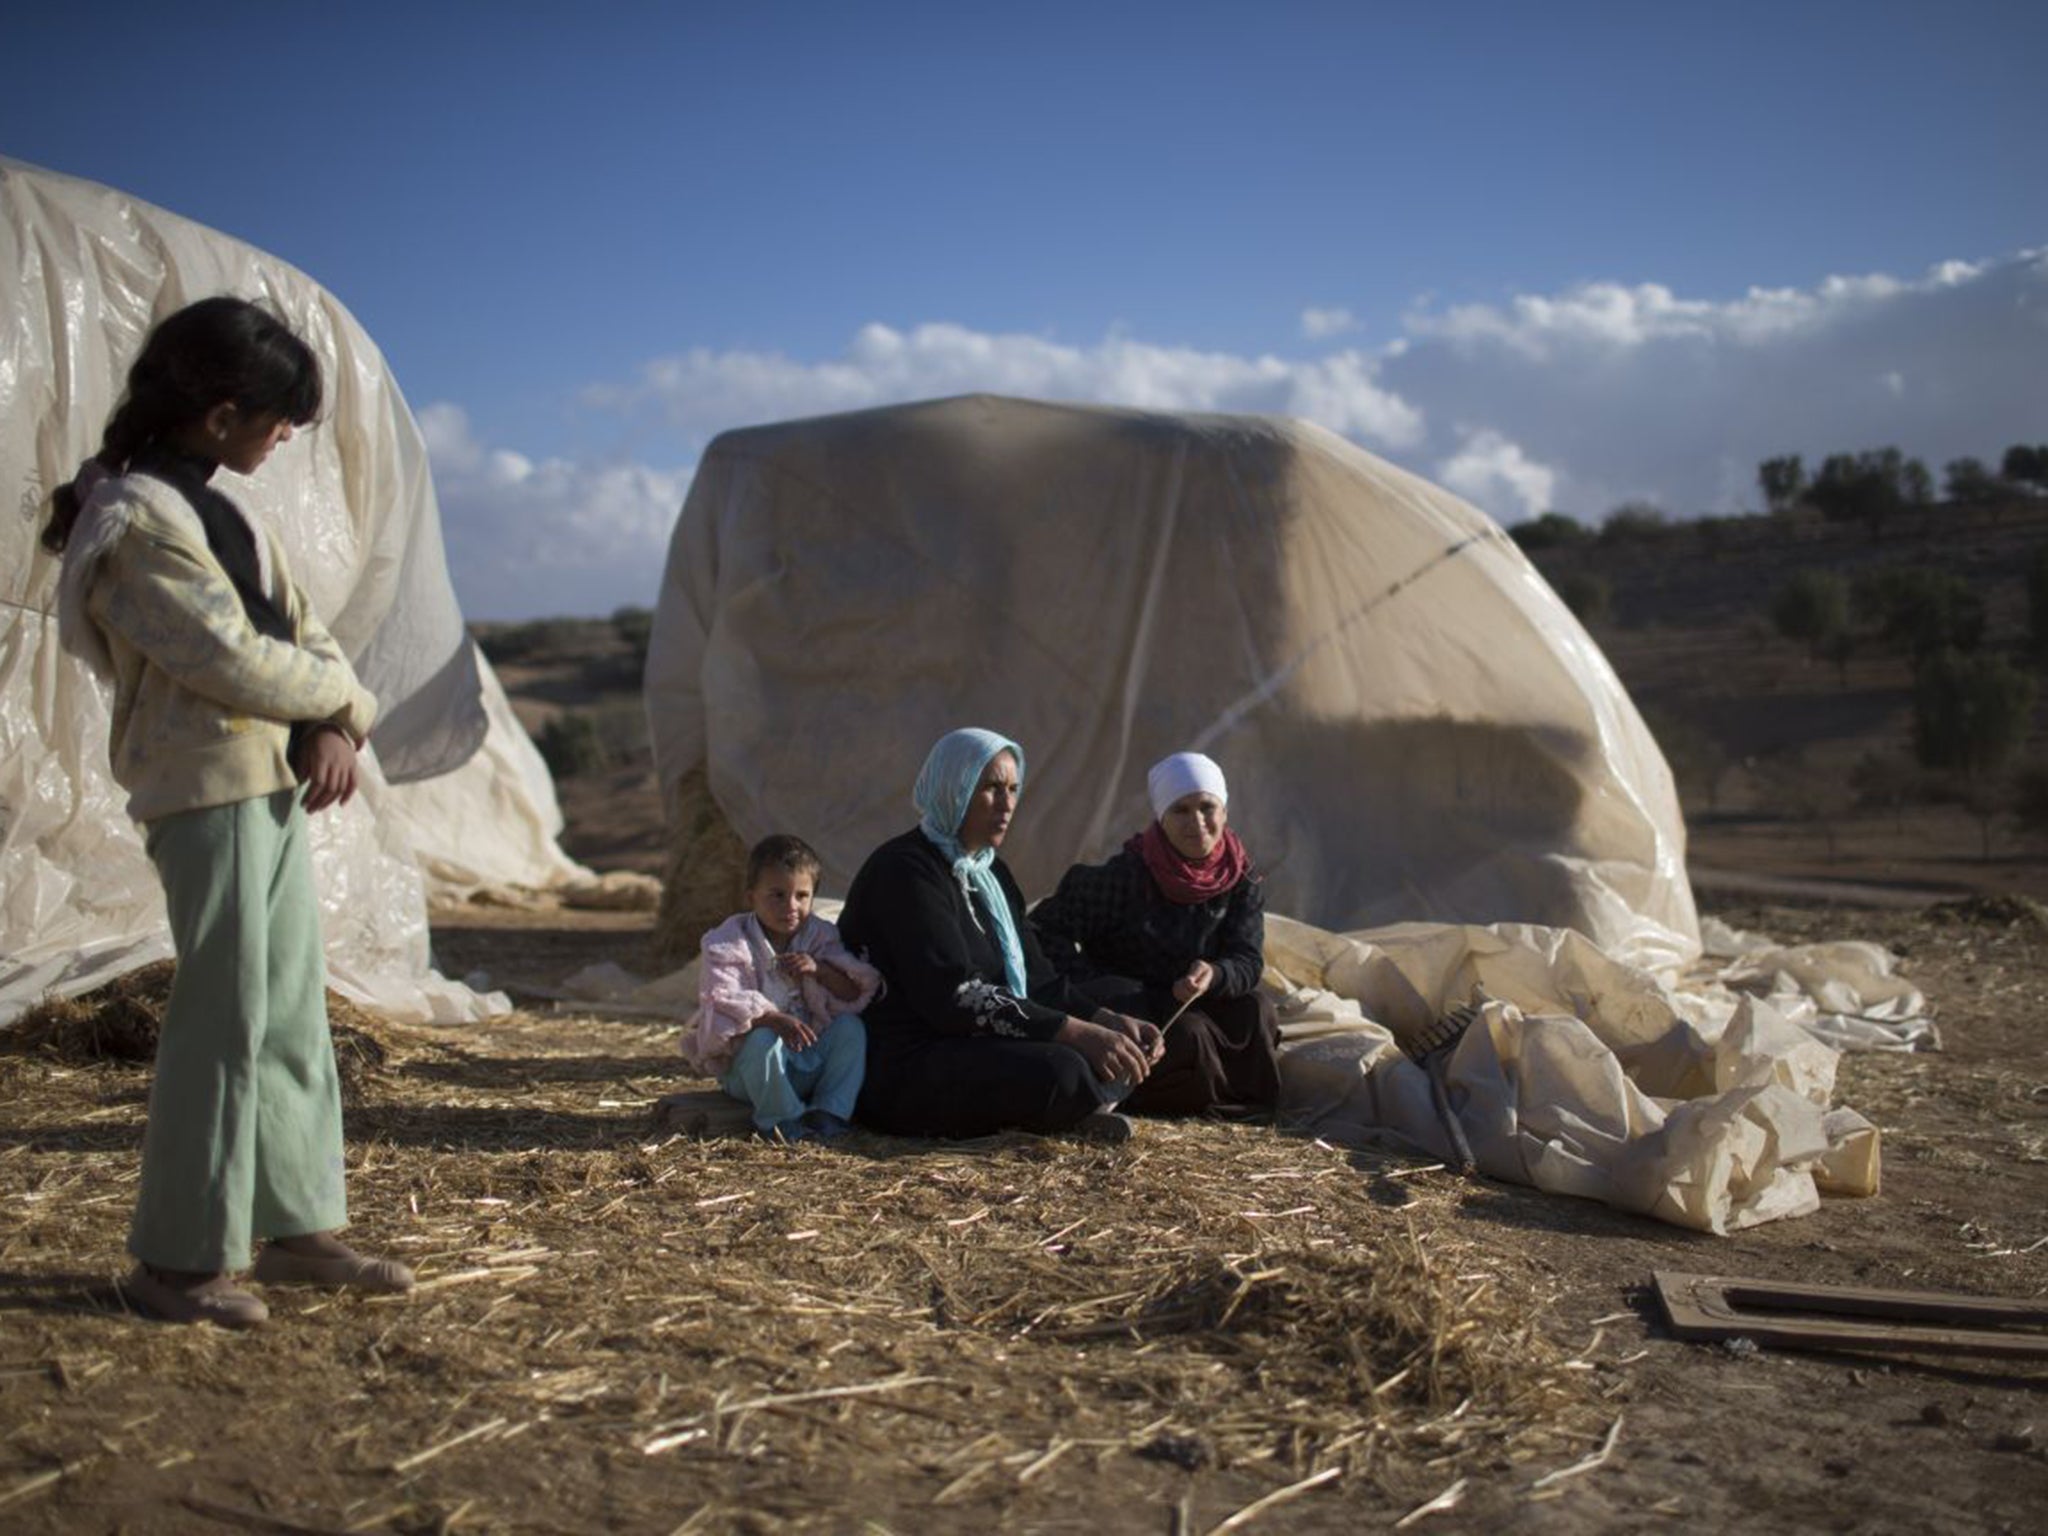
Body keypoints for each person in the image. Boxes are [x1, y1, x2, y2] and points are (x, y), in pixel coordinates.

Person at [48, 296, 415, 1328]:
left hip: (267, 784)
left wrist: (341, 715)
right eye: (275, 417)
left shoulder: (226, 513)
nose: (284, 435)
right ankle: (175, 1259)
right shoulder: (127, 520)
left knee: (290, 1009)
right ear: (218, 414)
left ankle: (297, 1228)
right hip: (201, 789)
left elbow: (304, 631)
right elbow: (219, 654)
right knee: (223, 1019)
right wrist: (335, 705)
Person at [836, 727, 1162, 1141]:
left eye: (1013, 789)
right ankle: (1079, 1106)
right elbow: (954, 996)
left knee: (1118, 1026)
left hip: (972, 1044)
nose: (1007, 804)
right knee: (1061, 1068)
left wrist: (1104, 1020)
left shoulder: (991, 873)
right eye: (990, 787)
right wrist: (1076, 1031)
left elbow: (1038, 979)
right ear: (954, 788)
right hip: (909, 1061)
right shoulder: (905, 871)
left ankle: (1080, 1105)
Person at [1030, 752, 1280, 1117]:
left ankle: (1252, 1111)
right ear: (1161, 819)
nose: (1197, 822)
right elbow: (1044, 931)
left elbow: (1246, 957)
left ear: (1224, 812)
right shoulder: (1124, 878)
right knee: (1189, 1034)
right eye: (1181, 810)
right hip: (1137, 1005)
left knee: (1258, 1010)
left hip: (1200, 998)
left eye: (1207, 807)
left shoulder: (1239, 878)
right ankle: (1197, 1106)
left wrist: (1215, 974)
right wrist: (1094, 990)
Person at [681, 834, 879, 1141]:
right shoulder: (728, 942)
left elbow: (853, 993)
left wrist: (820, 971)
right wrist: (772, 1019)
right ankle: (781, 1120)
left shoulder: (820, 936)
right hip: (748, 1072)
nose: (791, 906)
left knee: (851, 1028)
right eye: (777, 895)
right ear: (751, 897)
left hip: (804, 1063)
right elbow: (721, 999)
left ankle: (829, 1112)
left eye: (801, 896)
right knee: (762, 1039)